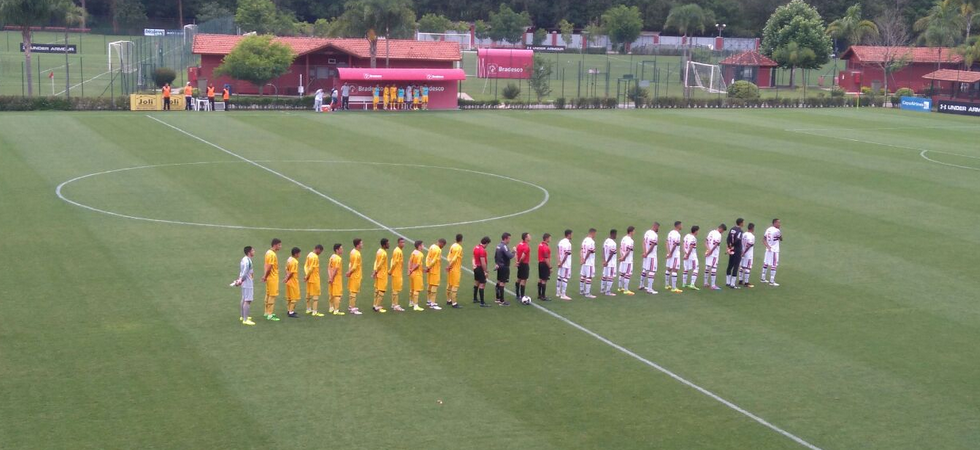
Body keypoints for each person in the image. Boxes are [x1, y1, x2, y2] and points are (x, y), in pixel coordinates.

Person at [233, 246, 256, 326]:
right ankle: (245, 320)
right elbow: (245, 272)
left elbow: (242, 271)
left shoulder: (244, 259)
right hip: (248, 283)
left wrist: (239, 280)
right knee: (248, 300)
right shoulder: (248, 261)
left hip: (245, 282)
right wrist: (240, 280)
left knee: (243, 298)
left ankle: (243, 316)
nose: (254, 251)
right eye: (253, 250)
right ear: (249, 252)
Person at [262, 238, 282, 321]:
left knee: (268, 294)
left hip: (269, 277)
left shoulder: (268, 252)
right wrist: (265, 276)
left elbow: (265, 265)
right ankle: (270, 314)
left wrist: (265, 276)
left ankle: (266, 312)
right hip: (272, 278)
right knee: (272, 295)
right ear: (275, 245)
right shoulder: (272, 255)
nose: (280, 246)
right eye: (279, 245)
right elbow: (269, 267)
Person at [703, 224, 727, 291]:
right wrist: (711, 251)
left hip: (708, 252)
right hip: (714, 254)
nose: (722, 232)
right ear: (721, 229)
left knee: (707, 267)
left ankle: (705, 283)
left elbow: (705, 242)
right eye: (723, 231)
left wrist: (708, 250)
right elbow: (716, 244)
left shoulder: (711, 232)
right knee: (714, 268)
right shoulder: (719, 235)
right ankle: (713, 285)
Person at [494, 233, 515, 306]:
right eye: (509, 238)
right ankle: (502, 301)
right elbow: (510, 256)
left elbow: (495, 256)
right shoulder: (504, 247)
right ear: (505, 238)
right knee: (502, 283)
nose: (509, 240)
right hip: (504, 267)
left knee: (499, 281)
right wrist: (514, 251)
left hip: (499, 266)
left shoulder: (498, 246)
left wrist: (496, 263)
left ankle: (497, 298)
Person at [304, 244, 325, 317]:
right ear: (318, 249)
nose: (320, 253)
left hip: (309, 279)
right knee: (315, 295)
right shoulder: (315, 257)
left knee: (308, 294)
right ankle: (315, 311)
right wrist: (307, 276)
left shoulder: (309, 255)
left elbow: (306, 266)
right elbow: (311, 268)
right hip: (314, 278)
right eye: (320, 251)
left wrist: (306, 275)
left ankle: (308, 309)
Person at [639, 222, 659, 294]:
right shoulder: (654, 235)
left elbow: (643, 242)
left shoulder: (647, 232)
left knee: (644, 269)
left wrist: (644, 253)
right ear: (655, 226)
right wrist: (647, 253)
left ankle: (641, 285)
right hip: (651, 256)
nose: (658, 229)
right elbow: (653, 245)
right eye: (658, 227)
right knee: (652, 271)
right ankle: (650, 289)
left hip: (646, 255)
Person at [425, 239, 445, 310]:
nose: (443, 247)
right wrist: (429, 267)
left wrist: (427, 266)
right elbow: (434, 260)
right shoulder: (438, 250)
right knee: (434, 286)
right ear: (441, 243)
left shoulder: (432, 246)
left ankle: (429, 301)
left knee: (430, 285)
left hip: (430, 270)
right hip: (435, 270)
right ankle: (432, 304)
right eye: (443, 245)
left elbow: (427, 257)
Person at [761, 219, 782, 286]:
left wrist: (767, 246)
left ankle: (763, 278)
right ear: (775, 223)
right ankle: (771, 281)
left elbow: (763, 239)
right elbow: (781, 239)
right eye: (778, 223)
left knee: (766, 263)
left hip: (768, 249)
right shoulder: (777, 230)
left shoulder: (768, 229)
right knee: (774, 264)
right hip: (774, 250)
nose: (779, 224)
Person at [346, 238, 364, 315]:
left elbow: (350, 264)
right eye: (361, 243)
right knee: (353, 292)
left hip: (352, 275)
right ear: (358, 245)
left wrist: (349, 272)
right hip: (356, 275)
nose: (362, 244)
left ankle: (350, 306)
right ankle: (353, 308)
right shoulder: (357, 254)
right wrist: (349, 272)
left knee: (351, 291)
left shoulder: (352, 251)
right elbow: (354, 266)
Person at [445, 234, 464, 308]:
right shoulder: (459, 248)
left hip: (451, 269)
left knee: (449, 284)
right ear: (461, 239)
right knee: (455, 286)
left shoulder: (453, 246)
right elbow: (454, 258)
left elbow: (449, 257)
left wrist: (449, 265)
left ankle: (448, 300)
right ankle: (454, 303)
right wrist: (449, 266)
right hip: (455, 269)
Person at [725, 218, 744, 288]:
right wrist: (733, 246)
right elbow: (738, 240)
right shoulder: (740, 231)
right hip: (737, 249)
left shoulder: (732, 229)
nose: (743, 224)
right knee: (736, 266)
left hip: (731, 249)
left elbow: (728, 238)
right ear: (741, 223)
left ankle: (727, 282)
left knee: (730, 264)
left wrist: (729, 246)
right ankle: (732, 284)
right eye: (743, 222)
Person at [472, 236, 491, 307]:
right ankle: (482, 303)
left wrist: (473, 265)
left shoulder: (476, 247)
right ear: (486, 243)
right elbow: (483, 262)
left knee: (476, 282)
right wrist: (485, 271)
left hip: (476, 267)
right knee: (482, 284)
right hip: (480, 268)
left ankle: (475, 298)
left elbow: (473, 257)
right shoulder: (482, 250)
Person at [327, 244, 346, 315]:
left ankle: (331, 308)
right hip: (336, 278)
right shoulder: (338, 259)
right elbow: (336, 269)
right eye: (341, 248)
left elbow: (328, 268)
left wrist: (330, 277)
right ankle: (336, 310)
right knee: (337, 294)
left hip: (331, 278)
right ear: (337, 250)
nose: (342, 250)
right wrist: (332, 278)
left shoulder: (332, 257)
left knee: (331, 294)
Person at [388, 238, 406, 312]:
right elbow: (394, 262)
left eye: (404, 242)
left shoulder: (398, 250)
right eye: (401, 242)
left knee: (395, 289)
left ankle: (393, 304)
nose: (403, 244)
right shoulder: (398, 251)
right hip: (396, 273)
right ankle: (395, 305)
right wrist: (390, 271)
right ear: (398, 243)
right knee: (396, 289)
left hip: (397, 272)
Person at [665, 222, 683, 293]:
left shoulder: (670, 233)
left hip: (670, 253)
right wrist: (671, 253)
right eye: (681, 225)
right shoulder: (677, 235)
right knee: (675, 270)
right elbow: (675, 245)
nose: (682, 226)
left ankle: (666, 285)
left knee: (669, 268)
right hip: (674, 254)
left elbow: (666, 242)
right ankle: (674, 287)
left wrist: (668, 252)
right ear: (678, 226)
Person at [372, 239, 389, 313]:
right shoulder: (384, 253)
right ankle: (377, 307)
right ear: (384, 245)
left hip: (378, 274)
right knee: (382, 290)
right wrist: (375, 272)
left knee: (377, 290)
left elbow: (376, 262)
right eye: (388, 243)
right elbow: (380, 264)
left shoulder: (379, 251)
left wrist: (375, 271)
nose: (389, 245)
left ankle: (374, 304)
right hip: (382, 274)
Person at [408, 240, 426, 311]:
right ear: (419, 246)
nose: (423, 246)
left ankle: (411, 302)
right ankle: (416, 306)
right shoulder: (420, 254)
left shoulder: (413, 252)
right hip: (417, 274)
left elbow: (410, 261)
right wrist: (412, 269)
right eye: (422, 245)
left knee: (412, 289)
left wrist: (410, 270)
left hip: (412, 274)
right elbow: (418, 264)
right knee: (417, 290)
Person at [579, 228, 597, 299]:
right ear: (592, 233)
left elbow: (581, 250)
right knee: (589, 277)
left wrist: (582, 259)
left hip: (584, 262)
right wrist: (585, 259)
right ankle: (587, 293)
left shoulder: (584, 240)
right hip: (589, 262)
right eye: (595, 233)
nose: (595, 235)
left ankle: (581, 291)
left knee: (583, 276)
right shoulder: (591, 242)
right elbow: (589, 252)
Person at [556, 230, 573, 301]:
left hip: (561, 263)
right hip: (566, 264)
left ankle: (558, 292)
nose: (572, 236)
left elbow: (557, 252)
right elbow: (566, 255)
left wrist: (559, 262)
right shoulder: (568, 244)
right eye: (571, 234)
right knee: (565, 278)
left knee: (560, 277)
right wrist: (562, 263)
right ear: (568, 235)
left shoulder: (560, 242)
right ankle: (563, 294)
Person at [285, 247, 302, 317]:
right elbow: (292, 272)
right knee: (294, 298)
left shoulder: (289, 259)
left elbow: (286, 269)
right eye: (299, 253)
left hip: (289, 282)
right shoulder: (295, 262)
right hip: (293, 281)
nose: (299, 255)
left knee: (289, 297)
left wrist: (286, 277)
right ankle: (291, 312)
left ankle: (289, 310)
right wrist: (287, 278)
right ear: (296, 254)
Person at [618, 226, 636, 295]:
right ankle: (626, 289)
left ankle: (620, 288)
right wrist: (624, 257)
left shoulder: (623, 239)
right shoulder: (630, 241)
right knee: (627, 274)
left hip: (623, 259)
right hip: (627, 260)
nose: (634, 232)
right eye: (634, 231)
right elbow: (628, 251)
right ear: (631, 232)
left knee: (622, 273)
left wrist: (622, 257)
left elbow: (620, 248)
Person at [682, 226, 701, 291]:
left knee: (686, 269)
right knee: (696, 268)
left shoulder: (686, 236)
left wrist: (685, 253)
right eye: (698, 231)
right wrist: (688, 255)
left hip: (686, 254)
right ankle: (692, 284)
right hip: (692, 256)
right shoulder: (693, 238)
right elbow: (691, 247)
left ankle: (684, 284)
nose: (698, 232)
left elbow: (683, 245)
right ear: (695, 231)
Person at [601, 229, 618, 297]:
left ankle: (602, 289)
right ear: (613, 234)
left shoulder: (606, 241)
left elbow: (603, 251)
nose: (616, 236)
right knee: (610, 277)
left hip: (606, 263)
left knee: (605, 276)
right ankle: (608, 292)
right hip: (611, 263)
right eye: (616, 234)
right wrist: (607, 261)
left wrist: (604, 260)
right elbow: (611, 253)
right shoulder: (613, 243)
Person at [515, 232, 531, 301]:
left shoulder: (519, 244)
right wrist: (519, 262)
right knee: (523, 280)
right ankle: (522, 296)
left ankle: (517, 295)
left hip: (520, 264)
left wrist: (517, 262)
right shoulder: (526, 247)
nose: (530, 237)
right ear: (526, 238)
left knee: (519, 278)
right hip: (524, 264)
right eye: (529, 236)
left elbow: (516, 253)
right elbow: (522, 257)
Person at [739, 223, 756, 288]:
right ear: (752, 228)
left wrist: (742, 252)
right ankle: (746, 282)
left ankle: (740, 280)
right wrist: (744, 252)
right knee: (748, 267)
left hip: (742, 253)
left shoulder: (744, 234)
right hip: (748, 254)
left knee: (742, 266)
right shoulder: (752, 236)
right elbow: (749, 245)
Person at [537, 233, 552, 301]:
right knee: (544, 280)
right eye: (550, 238)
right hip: (544, 264)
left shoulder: (540, 245)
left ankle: (539, 294)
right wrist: (550, 267)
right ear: (547, 238)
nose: (550, 239)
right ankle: (543, 296)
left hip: (540, 263)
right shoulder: (545, 247)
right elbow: (546, 258)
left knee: (540, 279)